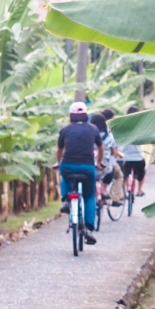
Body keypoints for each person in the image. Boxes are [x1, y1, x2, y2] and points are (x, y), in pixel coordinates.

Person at [57, 101, 103, 243]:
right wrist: (100, 162)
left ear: (71, 115)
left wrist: (59, 163)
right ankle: (89, 227)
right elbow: (101, 148)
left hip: (68, 165)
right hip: (87, 167)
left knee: (63, 174)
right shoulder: (93, 129)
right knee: (89, 196)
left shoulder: (65, 130)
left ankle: (66, 199)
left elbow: (60, 150)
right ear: (86, 114)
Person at [91, 112, 124, 208]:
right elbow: (113, 152)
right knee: (118, 175)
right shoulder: (109, 137)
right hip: (106, 166)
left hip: (89, 163)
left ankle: (99, 191)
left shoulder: (88, 135)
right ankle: (110, 194)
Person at [118, 106, 147, 197]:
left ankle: (122, 193)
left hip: (124, 157)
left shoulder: (122, 126)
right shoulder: (140, 126)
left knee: (123, 176)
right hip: (137, 157)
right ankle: (139, 190)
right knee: (142, 173)